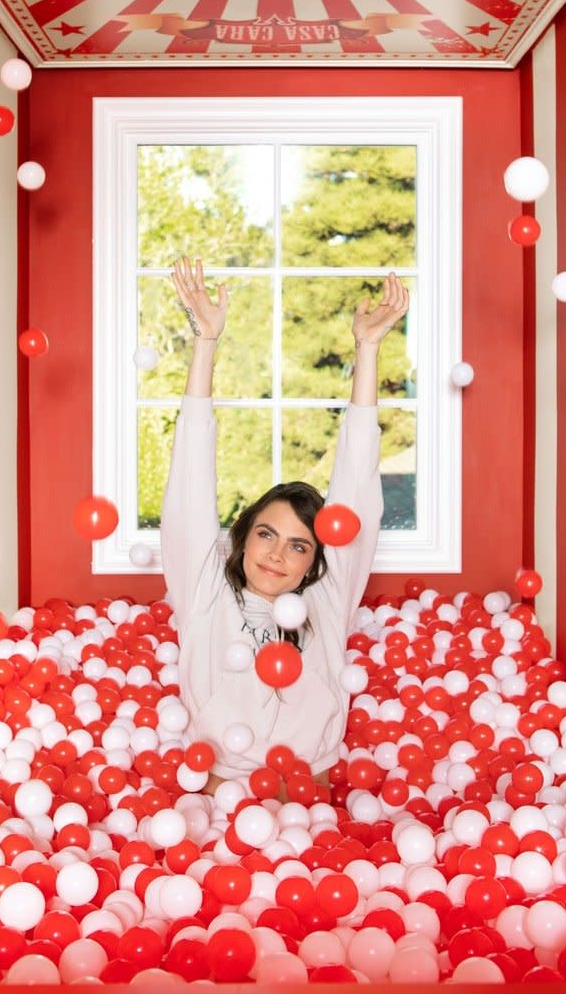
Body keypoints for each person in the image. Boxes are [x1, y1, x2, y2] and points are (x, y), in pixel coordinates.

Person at [160, 255, 409, 794]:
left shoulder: (327, 597)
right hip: (220, 806)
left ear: (315, 562)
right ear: (243, 537)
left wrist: (368, 350)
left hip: (314, 807)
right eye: (267, 535)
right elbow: (189, 486)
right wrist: (206, 343)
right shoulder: (204, 592)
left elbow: (357, 487)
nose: (277, 554)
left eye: (299, 546)